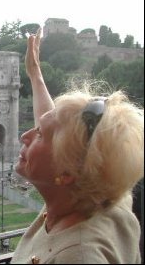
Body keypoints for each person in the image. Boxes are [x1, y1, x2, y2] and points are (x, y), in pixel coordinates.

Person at [11, 28, 144, 264]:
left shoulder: (79, 256)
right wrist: (35, 76)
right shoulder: (104, 191)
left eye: (39, 135)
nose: (25, 136)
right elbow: (63, 143)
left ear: (66, 173)